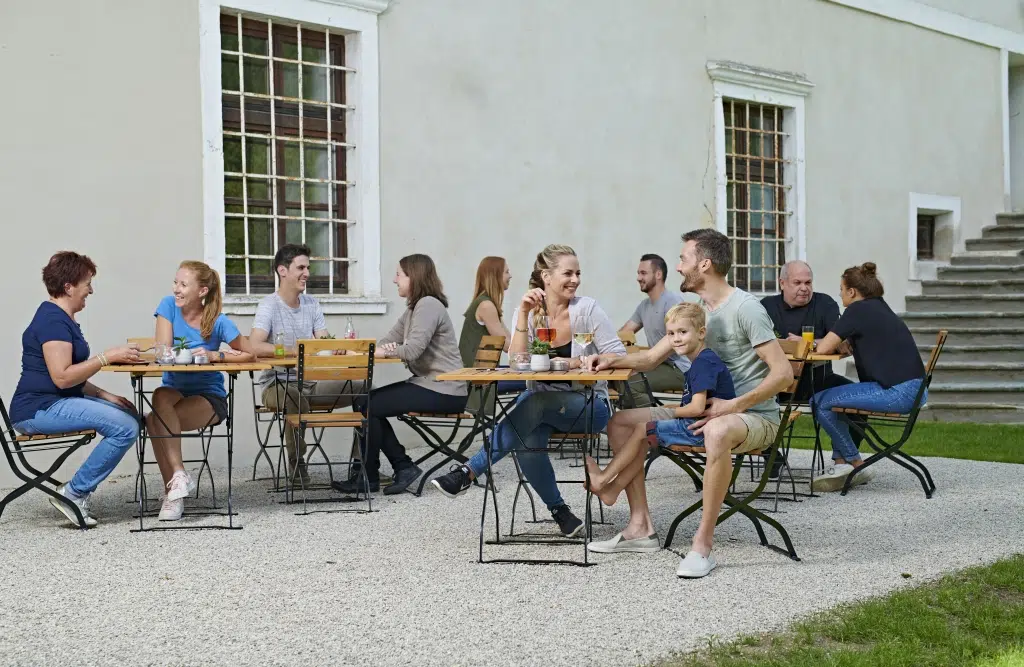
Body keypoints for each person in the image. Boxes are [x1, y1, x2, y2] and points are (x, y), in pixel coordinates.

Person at [585, 229, 792, 577]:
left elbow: (783, 374)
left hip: (752, 416)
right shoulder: (698, 313)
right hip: (701, 412)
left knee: (717, 429)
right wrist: (611, 360)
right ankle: (640, 527)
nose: (679, 267)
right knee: (619, 422)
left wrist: (733, 405)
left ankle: (702, 545)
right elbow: (651, 358)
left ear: (705, 264)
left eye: (683, 259)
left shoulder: (746, 309)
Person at [432, 244, 627, 537]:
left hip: (588, 405)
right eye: (567, 273)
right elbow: (517, 361)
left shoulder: (587, 310)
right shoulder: (530, 312)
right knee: (525, 439)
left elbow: (618, 354)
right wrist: (523, 314)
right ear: (546, 277)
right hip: (541, 407)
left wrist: (578, 361)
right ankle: (562, 514)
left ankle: (468, 472)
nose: (575, 279)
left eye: (578, 273)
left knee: (532, 404)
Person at [9, 251, 142, 527]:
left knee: (131, 418)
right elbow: (62, 377)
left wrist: (105, 395)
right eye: (87, 283)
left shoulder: (60, 318)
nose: (90, 290)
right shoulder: (52, 321)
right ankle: (74, 494)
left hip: (55, 402)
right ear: (68, 287)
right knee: (125, 427)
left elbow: (70, 377)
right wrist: (107, 357)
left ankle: (74, 491)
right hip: (38, 409)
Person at [331, 254, 468, 496]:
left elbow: (412, 350)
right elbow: (386, 342)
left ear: (413, 276)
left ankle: (374, 474)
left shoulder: (428, 305)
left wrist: (385, 352)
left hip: (445, 389)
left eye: (399, 274)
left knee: (368, 404)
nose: (395, 280)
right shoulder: (414, 309)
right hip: (428, 385)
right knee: (365, 403)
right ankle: (397, 467)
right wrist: (357, 351)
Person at [585, 303, 735, 511]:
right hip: (697, 424)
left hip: (697, 430)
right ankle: (611, 490)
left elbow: (696, 408)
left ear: (701, 333)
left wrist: (666, 413)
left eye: (683, 332)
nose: (676, 339)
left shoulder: (703, 363)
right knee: (640, 433)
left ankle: (603, 481)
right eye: (671, 333)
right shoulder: (702, 360)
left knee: (641, 430)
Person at [146, 261, 254, 521]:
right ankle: (178, 480)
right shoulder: (168, 306)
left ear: (202, 291)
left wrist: (215, 354)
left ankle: (173, 494)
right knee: (160, 397)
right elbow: (162, 350)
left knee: (154, 420)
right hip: (174, 392)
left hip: (209, 397)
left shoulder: (217, 320)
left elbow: (249, 351)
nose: (177, 289)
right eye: (175, 283)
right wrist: (174, 352)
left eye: (183, 285)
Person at [810, 262, 926, 492]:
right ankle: (840, 464)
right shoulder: (878, 307)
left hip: (896, 392)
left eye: (841, 290)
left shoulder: (857, 310)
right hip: (914, 390)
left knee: (820, 402)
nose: (840, 294)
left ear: (852, 292)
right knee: (837, 402)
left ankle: (855, 464)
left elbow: (823, 349)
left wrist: (808, 343)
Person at [249, 244, 354, 484]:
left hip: (312, 383)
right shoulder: (269, 305)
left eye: (308, 267)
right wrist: (291, 350)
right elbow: (254, 345)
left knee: (366, 390)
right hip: (276, 386)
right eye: (301, 267)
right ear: (282, 271)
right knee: (294, 397)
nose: (307, 273)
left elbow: (323, 340)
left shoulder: (312, 304)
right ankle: (297, 464)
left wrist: (333, 346)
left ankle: (362, 465)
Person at [759, 259, 861, 472]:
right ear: (782, 283)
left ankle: (842, 462)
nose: (804, 288)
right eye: (797, 282)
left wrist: (810, 343)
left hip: (820, 380)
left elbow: (844, 344)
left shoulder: (825, 304)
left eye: (808, 282)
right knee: (749, 403)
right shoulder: (766, 307)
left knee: (859, 404)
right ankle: (773, 459)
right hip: (778, 383)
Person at [618, 254, 695, 406]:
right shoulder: (644, 306)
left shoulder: (672, 302)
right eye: (638, 273)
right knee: (617, 381)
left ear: (658, 274)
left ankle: (652, 421)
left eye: (643, 273)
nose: (638, 278)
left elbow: (677, 343)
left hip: (679, 369)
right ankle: (639, 420)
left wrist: (640, 363)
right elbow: (624, 333)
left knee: (630, 384)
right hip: (657, 365)